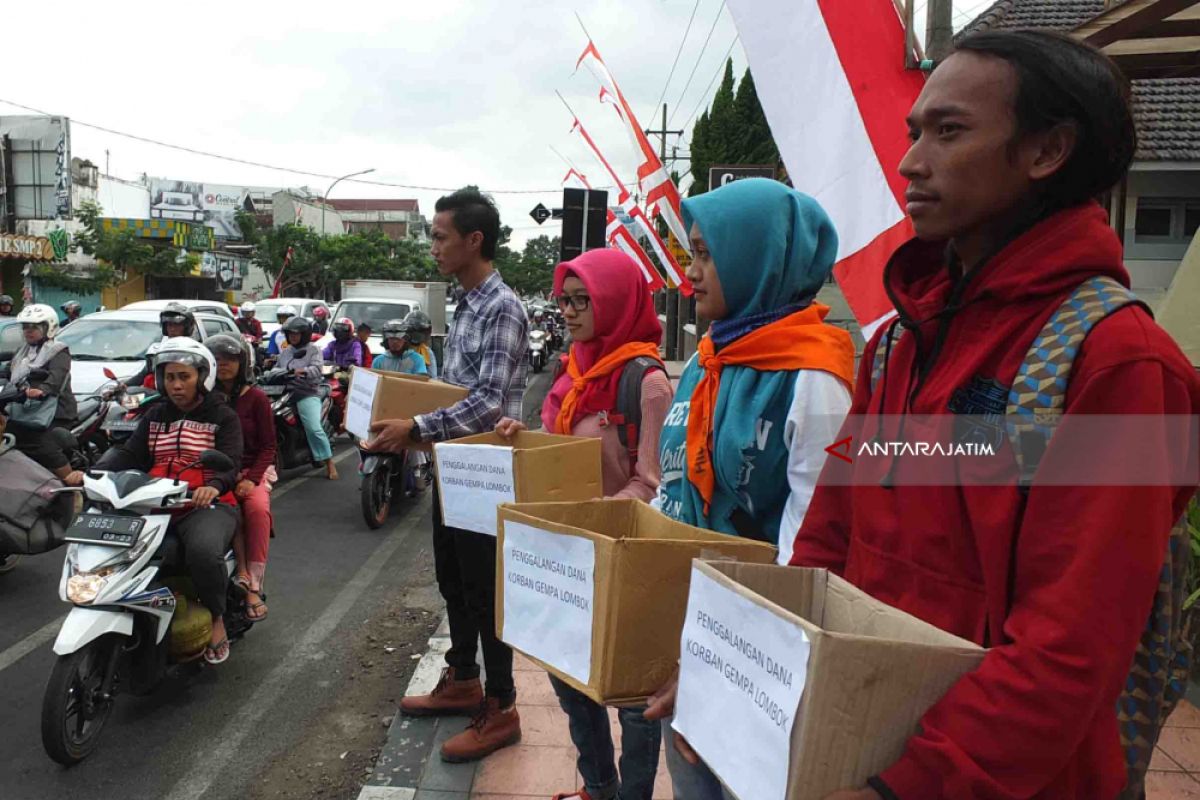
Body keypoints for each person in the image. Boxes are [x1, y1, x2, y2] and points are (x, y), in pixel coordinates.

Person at [786, 32, 1200, 800]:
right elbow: (830, 533)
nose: (911, 162)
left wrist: (910, 787)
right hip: (862, 738)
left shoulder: (1124, 363)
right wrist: (765, 668)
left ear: (1047, 152)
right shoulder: (899, 345)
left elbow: (1071, 643)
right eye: (914, 132)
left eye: (949, 131)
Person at [640, 178, 856, 799]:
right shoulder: (710, 359)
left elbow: (811, 545)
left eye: (707, 255)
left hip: (756, 654)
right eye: (691, 254)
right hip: (688, 629)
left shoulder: (816, 379)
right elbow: (674, 489)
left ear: (757, 257)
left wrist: (722, 661)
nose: (691, 273)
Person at [495, 249, 672, 800]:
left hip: (620, 560)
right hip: (566, 555)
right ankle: (599, 787)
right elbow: (558, 452)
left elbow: (653, 482)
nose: (568, 312)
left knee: (634, 702)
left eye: (582, 301)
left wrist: (596, 523)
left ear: (616, 301)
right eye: (564, 300)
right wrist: (519, 438)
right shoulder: (572, 369)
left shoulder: (647, 383)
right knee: (571, 683)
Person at [367, 188, 527, 762]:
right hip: (453, 465)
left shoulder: (502, 305)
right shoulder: (464, 303)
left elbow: (487, 403)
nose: (432, 246)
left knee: (486, 592)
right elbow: (454, 390)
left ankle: (502, 705)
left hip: (487, 472)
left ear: (473, 240)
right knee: (453, 581)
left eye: (439, 236)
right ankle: (463, 677)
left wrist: (415, 425)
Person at [78, 337, 243, 665]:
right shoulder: (155, 415)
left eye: (184, 377)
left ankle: (216, 616)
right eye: (170, 378)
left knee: (202, 551)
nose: (177, 385)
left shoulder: (222, 416)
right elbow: (129, 454)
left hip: (205, 505)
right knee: (123, 551)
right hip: (152, 503)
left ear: (201, 377)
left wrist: (212, 485)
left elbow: (231, 460)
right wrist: (89, 474)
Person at [207, 333, 275, 621]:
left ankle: (254, 583)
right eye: (216, 359)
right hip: (214, 470)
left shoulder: (256, 398)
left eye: (229, 359)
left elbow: (269, 446)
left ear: (242, 362)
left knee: (256, 508)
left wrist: (251, 478)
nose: (222, 364)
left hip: (250, 469)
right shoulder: (204, 399)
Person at [8, 303, 77, 480]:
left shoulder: (58, 350)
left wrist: (42, 390)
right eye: (25, 327)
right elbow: (8, 371)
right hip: (27, 409)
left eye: (34, 327)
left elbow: (57, 377)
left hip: (56, 411)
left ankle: (73, 489)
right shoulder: (23, 351)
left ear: (49, 327)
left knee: (44, 446)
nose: (28, 331)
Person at [278, 315, 337, 480]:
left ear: (304, 334)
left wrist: (303, 371)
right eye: (290, 334)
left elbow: (317, 369)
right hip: (284, 393)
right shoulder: (286, 352)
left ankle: (329, 463)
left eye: (296, 334)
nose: (293, 337)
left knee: (313, 428)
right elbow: (277, 368)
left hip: (306, 393)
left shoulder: (314, 350)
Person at [402, 310, 438, 378]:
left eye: (421, 331)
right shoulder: (399, 348)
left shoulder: (428, 352)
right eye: (413, 331)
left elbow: (433, 378)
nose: (417, 335)